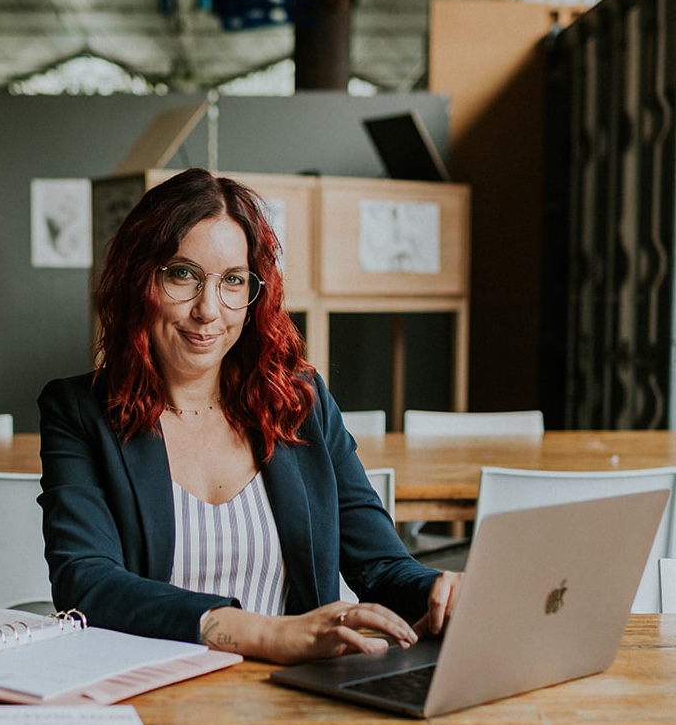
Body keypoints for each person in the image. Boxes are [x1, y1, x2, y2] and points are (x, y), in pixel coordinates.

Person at [38, 167, 463, 665]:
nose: (208, 310)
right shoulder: (78, 411)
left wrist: (440, 590)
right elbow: (87, 582)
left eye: (233, 281)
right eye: (182, 275)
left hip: (298, 699)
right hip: (154, 695)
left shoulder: (299, 402)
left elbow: (382, 565)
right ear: (140, 281)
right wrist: (268, 635)